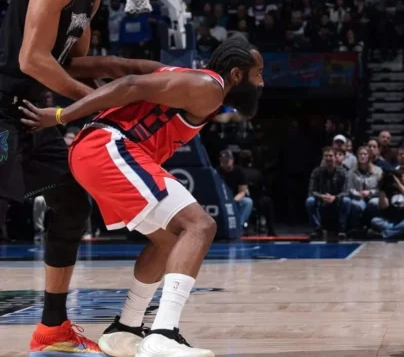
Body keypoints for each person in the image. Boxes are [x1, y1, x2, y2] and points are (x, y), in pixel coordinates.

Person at [20, 36, 264, 357]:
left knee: (168, 242)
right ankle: (163, 334)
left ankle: (127, 328)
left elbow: (119, 65)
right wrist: (61, 115)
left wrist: (58, 65)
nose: (262, 82)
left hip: (95, 150)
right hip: (110, 147)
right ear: (236, 74)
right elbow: (130, 83)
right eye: (258, 74)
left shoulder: (182, 76)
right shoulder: (209, 87)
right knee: (200, 226)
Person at [0, 0, 136, 354]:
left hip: (32, 112)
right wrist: (92, 101)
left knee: (73, 203)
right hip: (3, 108)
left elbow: (74, 63)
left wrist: (134, 75)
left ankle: (52, 328)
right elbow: (31, 59)